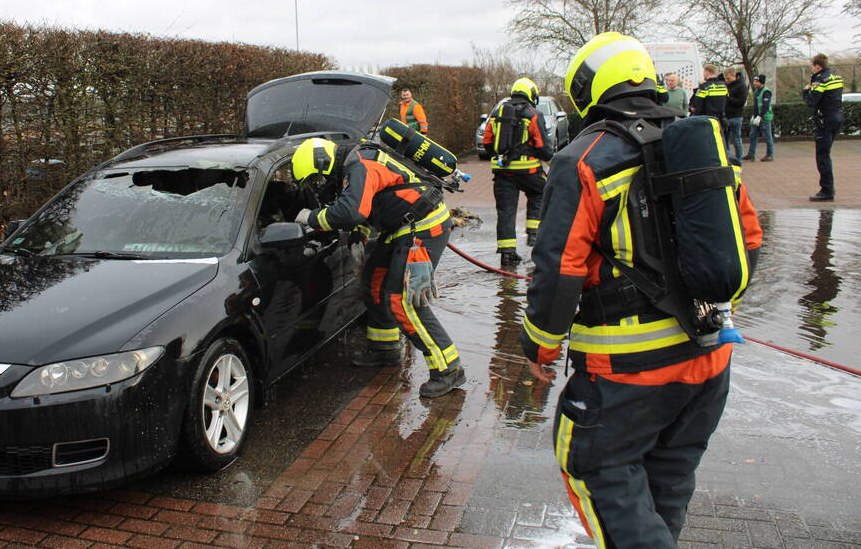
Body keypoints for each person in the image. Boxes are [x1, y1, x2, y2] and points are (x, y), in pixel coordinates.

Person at [520, 32, 763, 548]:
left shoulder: (584, 158)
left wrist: (539, 346)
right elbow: (749, 237)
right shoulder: (700, 142)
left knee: (593, 468)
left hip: (625, 374)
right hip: (709, 361)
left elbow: (558, 267)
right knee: (667, 481)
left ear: (587, 89)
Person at [291, 136, 465, 398]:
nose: (320, 186)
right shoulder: (353, 164)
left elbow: (351, 211)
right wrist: (359, 237)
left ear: (323, 163)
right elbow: (371, 205)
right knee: (374, 283)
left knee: (403, 300)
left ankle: (448, 368)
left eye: (317, 179)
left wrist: (311, 218)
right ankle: (384, 349)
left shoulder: (359, 165)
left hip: (423, 230)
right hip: (400, 227)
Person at [481, 77, 554, 267]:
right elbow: (543, 147)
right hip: (529, 171)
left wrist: (499, 156)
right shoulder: (532, 113)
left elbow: (487, 141)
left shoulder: (497, 112)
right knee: (539, 193)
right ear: (531, 94)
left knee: (506, 211)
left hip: (503, 172)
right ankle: (534, 236)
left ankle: (507, 254)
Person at [802, 53, 844, 201]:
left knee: (822, 155)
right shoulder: (835, 76)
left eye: (812, 66)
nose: (812, 69)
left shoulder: (820, 79)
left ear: (817, 66)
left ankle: (827, 190)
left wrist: (806, 90)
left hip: (825, 119)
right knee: (826, 153)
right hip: (836, 117)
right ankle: (828, 188)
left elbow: (812, 101)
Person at [744, 74, 774, 162]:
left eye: (756, 81)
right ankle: (751, 154)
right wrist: (754, 116)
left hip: (765, 118)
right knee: (753, 135)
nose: (754, 83)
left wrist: (760, 116)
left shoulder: (766, 91)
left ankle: (770, 155)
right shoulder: (756, 91)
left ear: (761, 82)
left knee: (768, 136)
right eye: (754, 81)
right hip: (757, 117)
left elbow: (765, 106)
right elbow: (756, 106)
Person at [723, 67, 749, 164]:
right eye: (725, 78)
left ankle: (738, 160)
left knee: (736, 139)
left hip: (736, 116)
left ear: (734, 76)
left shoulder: (742, 86)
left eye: (728, 78)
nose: (726, 80)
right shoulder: (726, 85)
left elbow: (741, 102)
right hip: (726, 116)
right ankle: (728, 159)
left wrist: (728, 98)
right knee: (725, 140)